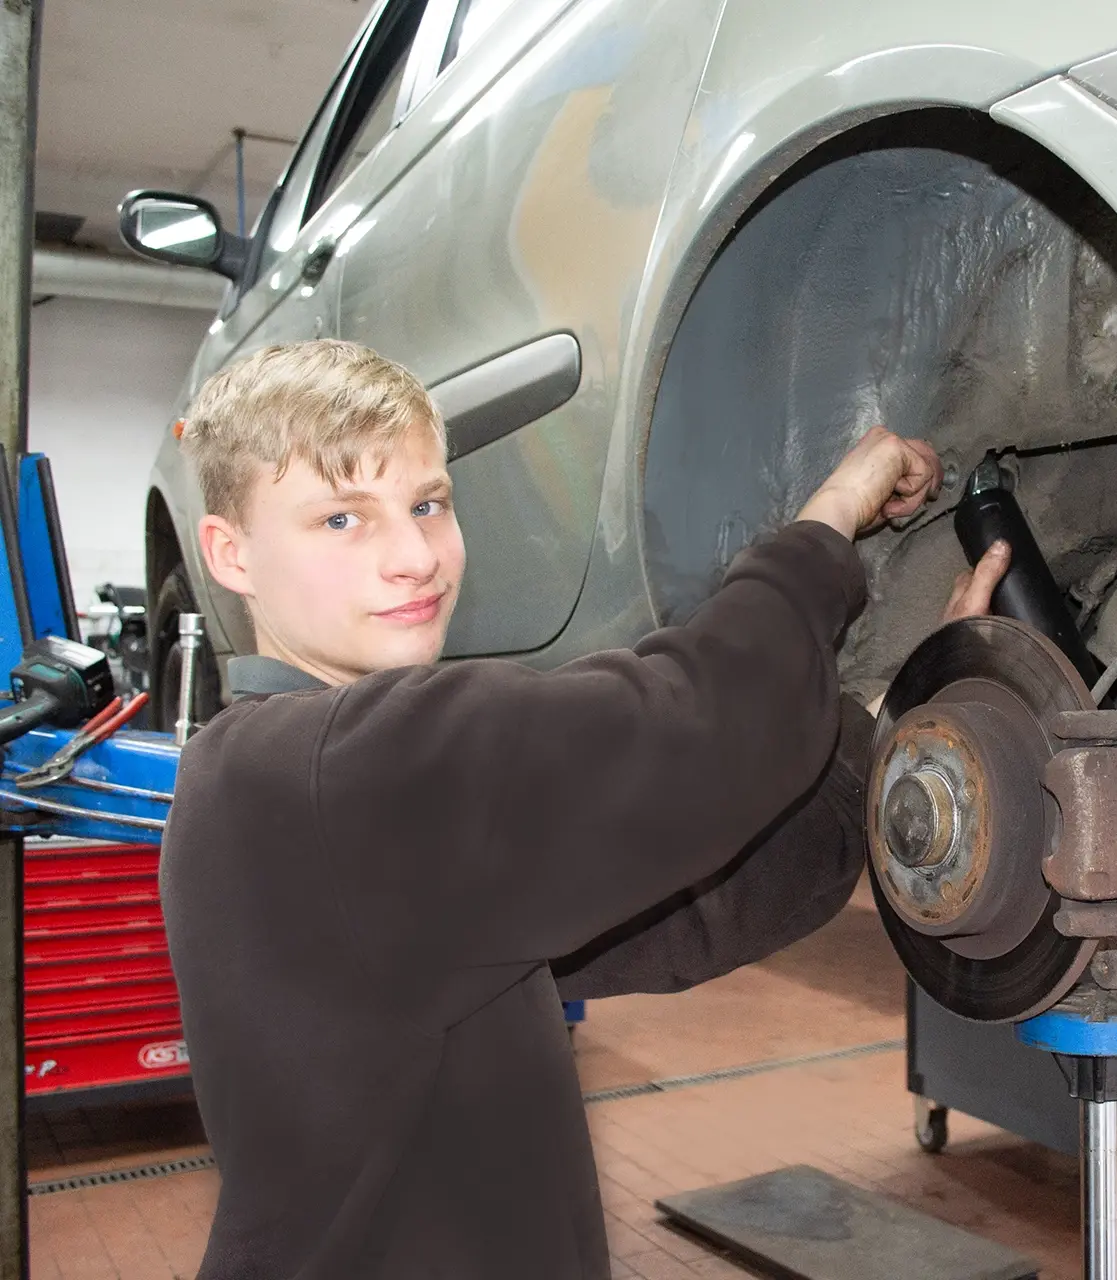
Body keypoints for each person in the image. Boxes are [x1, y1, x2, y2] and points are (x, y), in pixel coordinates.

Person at [159, 339, 1012, 1279]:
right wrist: (831, 519)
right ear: (230, 554)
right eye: (340, 518)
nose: (415, 557)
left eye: (429, 504)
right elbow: (690, 731)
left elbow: (691, 916)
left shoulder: (279, 789)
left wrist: (893, 724)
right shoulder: (321, 770)